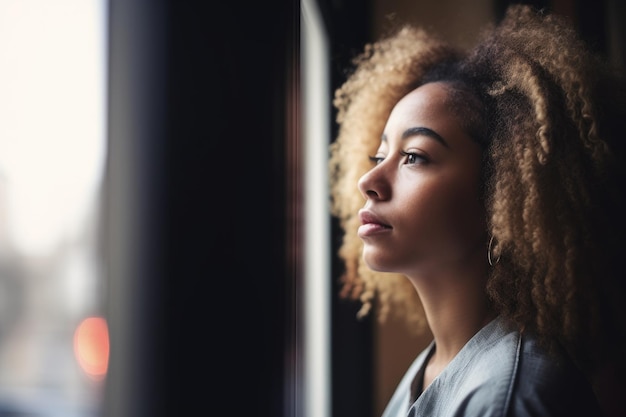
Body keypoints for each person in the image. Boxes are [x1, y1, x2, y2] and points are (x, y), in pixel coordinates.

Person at [328, 4, 626, 417]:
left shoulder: (509, 398)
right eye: (379, 156)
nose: (369, 182)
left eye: (414, 156)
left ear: (502, 191)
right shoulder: (433, 369)